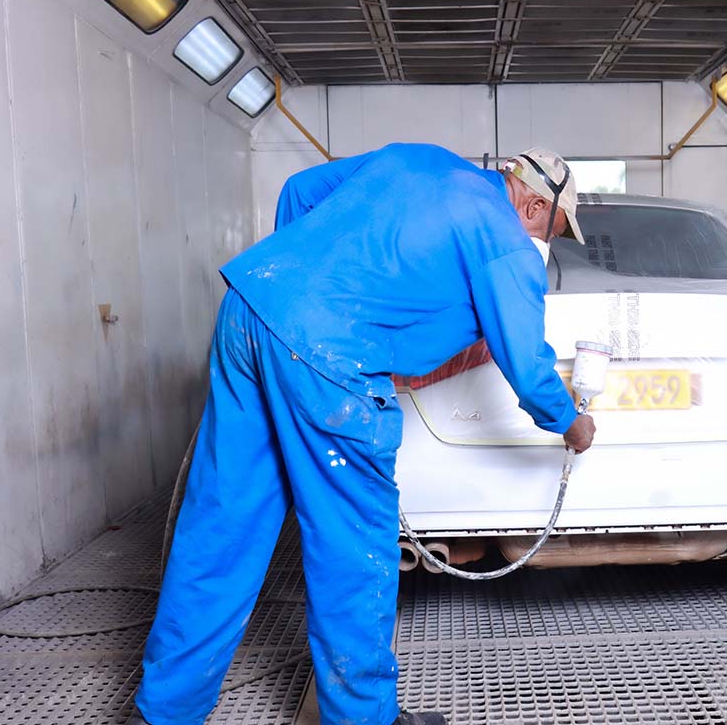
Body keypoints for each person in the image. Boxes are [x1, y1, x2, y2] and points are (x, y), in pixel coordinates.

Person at [129, 143, 596, 725]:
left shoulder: (421, 160)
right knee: (352, 544)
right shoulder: (506, 243)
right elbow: (527, 365)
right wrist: (572, 423)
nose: (546, 242)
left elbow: (299, 189)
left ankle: (165, 711)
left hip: (251, 306)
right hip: (327, 354)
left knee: (223, 521)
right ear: (534, 205)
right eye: (555, 230)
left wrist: (301, 294)